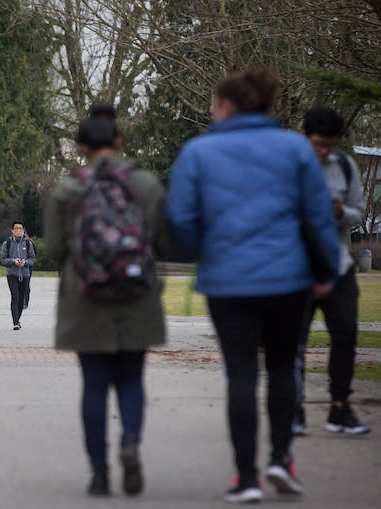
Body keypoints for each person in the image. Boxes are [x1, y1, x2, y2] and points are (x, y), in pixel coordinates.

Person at [166, 69, 339, 503]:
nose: (209, 111)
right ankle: (282, 457)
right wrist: (325, 273)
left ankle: (246, 477)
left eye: (211, 104)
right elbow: (319, 216)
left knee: (241, 374)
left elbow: (182, 222)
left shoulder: (199, 152)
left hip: (228, 281)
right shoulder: (295, 150)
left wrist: (200, 250)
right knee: (283, 367)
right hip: (288, 280)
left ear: (226, 106)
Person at [44, 112, 169, 497]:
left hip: (86, 298)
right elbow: (162, 241)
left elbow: (55, 249)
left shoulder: (68, 190)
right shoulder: (146, 184)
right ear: (119, 141)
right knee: (132, 379)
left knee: (94, 385)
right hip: (137, 296)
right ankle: (130, 440)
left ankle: (99, 472)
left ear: (81, 146)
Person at [292, 107, 370, 436]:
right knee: (293, 342)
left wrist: (342, 212)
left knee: (346, 336)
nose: (324, 151)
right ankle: (292, 411)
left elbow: (359, 210)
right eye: (319, 144)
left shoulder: (344, 167)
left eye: (331, 145)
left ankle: (340, 407)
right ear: (304, 137)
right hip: (296, 268)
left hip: (338, 264)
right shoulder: (289, 167)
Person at [0, 221, 35, 330]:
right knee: (15, 296)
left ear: (23, 230)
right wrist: (13, 261)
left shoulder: (28, 243)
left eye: (20, 228)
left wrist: (25, 263)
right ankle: (15, 321)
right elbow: (3, 260)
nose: (18, 230)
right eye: (16, 228)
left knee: (21, 298)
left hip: (25, 274)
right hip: (12, 274)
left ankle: (17, 319)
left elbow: (32, 259)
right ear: (12, 230)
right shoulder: (7, 243)